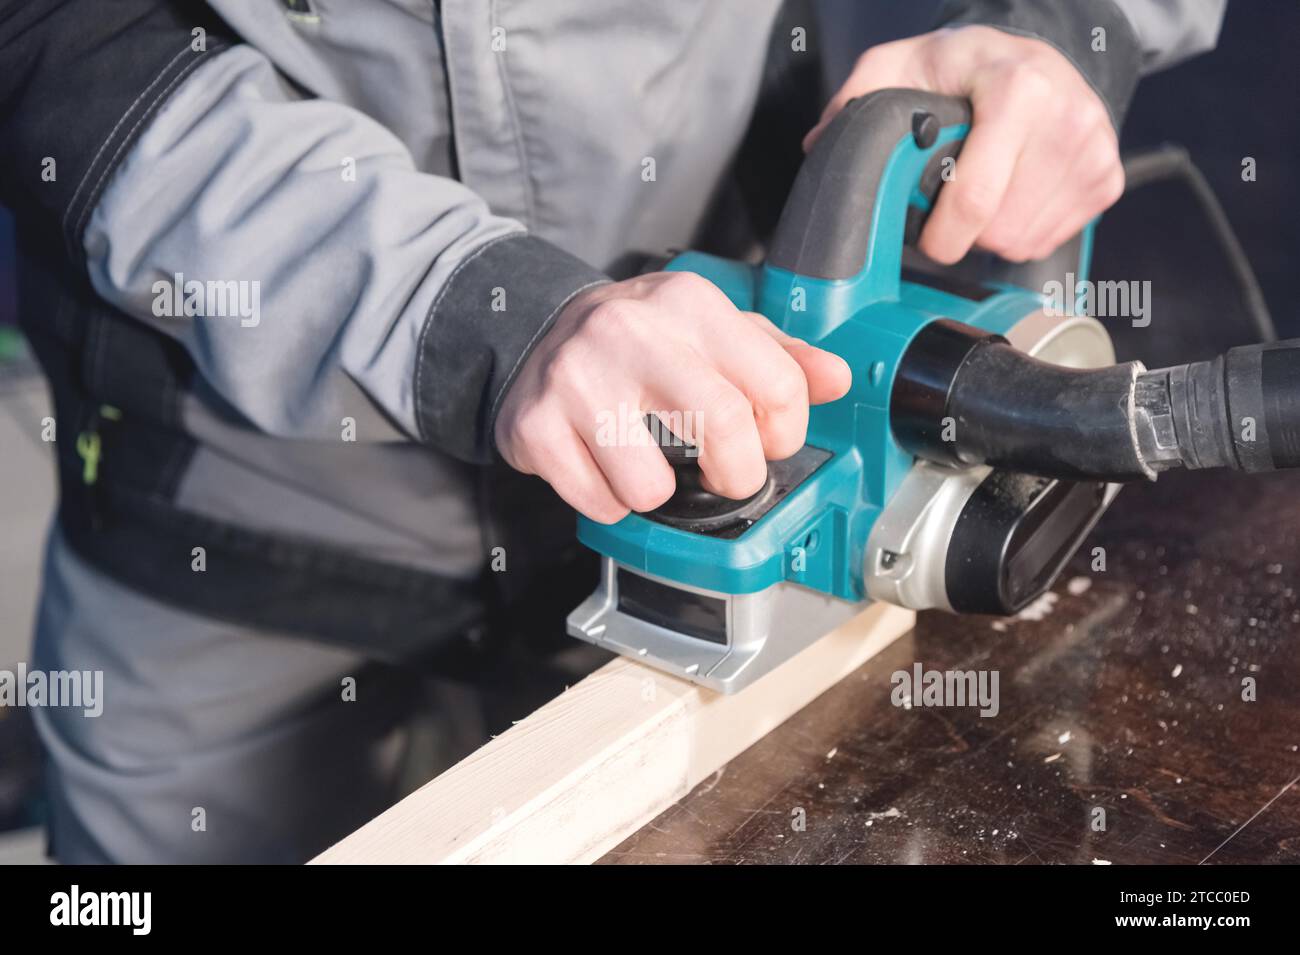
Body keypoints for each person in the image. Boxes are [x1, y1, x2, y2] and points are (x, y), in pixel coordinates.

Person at [0, 0, 1223, 862]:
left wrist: (1067, 31)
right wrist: (484, 312)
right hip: (231, 503)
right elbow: (55, 38)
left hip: (716, 417)